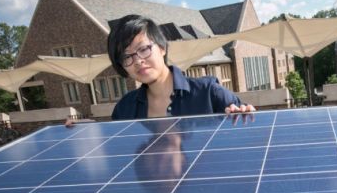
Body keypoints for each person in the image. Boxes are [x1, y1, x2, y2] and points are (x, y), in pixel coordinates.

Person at [107, 14, 255, 120]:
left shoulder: (209, 93)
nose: (138, 61)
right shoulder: (124, 109)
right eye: (127, 56)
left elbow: (249, 132)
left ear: (162, 47)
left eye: (143, 49)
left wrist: (246, 113)